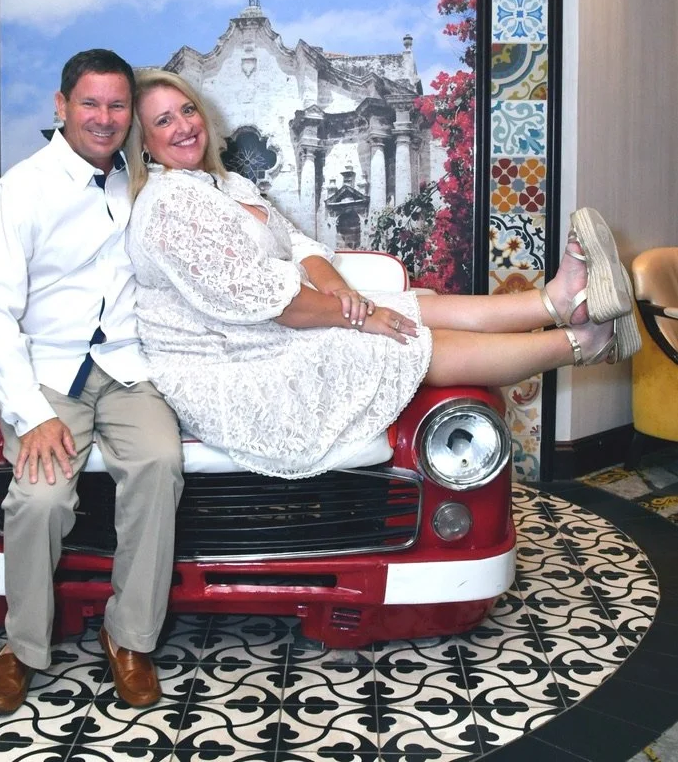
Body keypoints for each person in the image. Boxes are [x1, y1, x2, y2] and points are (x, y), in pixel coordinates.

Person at [124, 69, 641, 479]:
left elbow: (300, 245)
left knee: (411, 302)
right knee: (396, 336)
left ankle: (556, 299)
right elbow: (263, 298)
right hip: (229, 368)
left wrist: (341, 292)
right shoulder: (169, 201)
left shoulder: (225, 184)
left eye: (187, 110)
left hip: (263, 336)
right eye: (163, 121)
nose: (185, 125)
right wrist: (359, 318)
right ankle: (585, 341)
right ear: (143, 141)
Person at [0, 49, 184, 715]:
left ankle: (129, 636)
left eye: (118, 105)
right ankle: (23, 646)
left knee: (158, 464)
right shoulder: (22, 189)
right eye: (90, 103)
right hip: (50, 373)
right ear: (62, 106)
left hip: (124, 366)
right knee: (38, 500)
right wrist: (31, 414)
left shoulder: (137, 182)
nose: (105, 117)